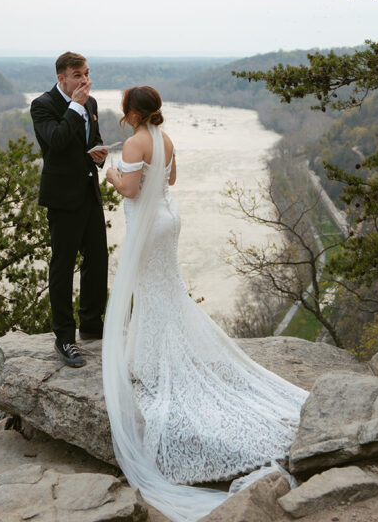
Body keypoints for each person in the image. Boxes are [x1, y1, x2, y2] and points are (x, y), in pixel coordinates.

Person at [103, 86, 308, 522]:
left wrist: (108, 167)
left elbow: (131, 190)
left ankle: (158, 361)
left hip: (149, 224)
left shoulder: (137, 141)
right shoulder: (166, 138)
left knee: (153, 290)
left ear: (132, 111)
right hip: (169, 218)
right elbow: (171, 180)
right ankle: (158, 353)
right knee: (165, 289)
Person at [30, 52, 108, 368]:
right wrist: (74, 106)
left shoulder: (92, 104)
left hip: (89, 193)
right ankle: (64, 336)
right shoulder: (43, 105)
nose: (85, 81)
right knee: (62, 266)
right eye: (78, 75)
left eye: (87, 73)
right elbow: (58, 142)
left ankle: (91, 323)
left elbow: (93, 140)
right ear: (62, 77)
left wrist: (99, 155)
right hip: (62, 199)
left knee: (97, 258)